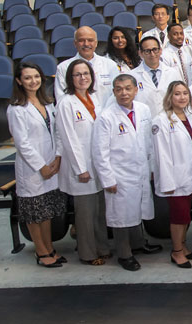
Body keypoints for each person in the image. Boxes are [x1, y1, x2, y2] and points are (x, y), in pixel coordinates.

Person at [92, 74, 154, 271]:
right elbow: (99, 152)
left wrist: (151, 168)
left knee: (137, 210)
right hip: (119, 174)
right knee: (121, 216)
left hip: (140, 169)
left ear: (136, 90)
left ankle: (138, 243)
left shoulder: (143, 110)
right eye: (119, 89)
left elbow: (148, 142)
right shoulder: (106, 117)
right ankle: (124, 254)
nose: (124, 93)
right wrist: (108, 179)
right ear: (113, 92)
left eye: (128, 88)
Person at [8, 62, 65, 267]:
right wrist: (41, 166)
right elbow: (22, 143)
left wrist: (57, 158)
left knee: (46, 211)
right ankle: (41, 253)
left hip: (52, 164)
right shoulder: (16, 108)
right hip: (33, 169)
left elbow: (57, 132)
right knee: (34, 213)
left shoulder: (48, 103)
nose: (33, 81)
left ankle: (50, 248)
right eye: (28, 78)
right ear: (19, 81)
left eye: (36, 76)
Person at [58, 60, 111, 266]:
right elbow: (69, 139)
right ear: (70, 79)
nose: (83, 78)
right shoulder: (66, 103)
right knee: (85, 214)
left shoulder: (94, 98)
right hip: (81, 168)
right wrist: (80, 169)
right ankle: (88, 253)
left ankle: (102, 247)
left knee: (99, 211)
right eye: (77, 74)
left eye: (86, 73)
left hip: (97, 163)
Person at [151, 81, 192, 269]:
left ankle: (182, 245)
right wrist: (168, 181)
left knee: (186, 216)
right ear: (169, 97)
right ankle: (176, 251)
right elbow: (161, 155)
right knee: (179, 217)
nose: (182, 97)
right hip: (174, 178)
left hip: (189, 176)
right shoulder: (161, 120)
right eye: (177, 94)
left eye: (185, 94)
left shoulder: (189, 116)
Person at [55, 26, 118, 106]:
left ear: (96, 43)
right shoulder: (63, 68)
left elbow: (116, 94)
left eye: (90, 40)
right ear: (75, 43)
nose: (86, 44)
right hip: (78, 116)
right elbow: (61, 99)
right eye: (81, 40)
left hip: (107, 115)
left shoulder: (110, 65)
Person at [130, 36, 181, 116]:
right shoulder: (132, 76)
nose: (152, 54)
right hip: (145, 121)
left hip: (170, 121)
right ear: (140, 53)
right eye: (147, 51)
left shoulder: (173, 73)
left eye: (155, 50)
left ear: (160, 51)